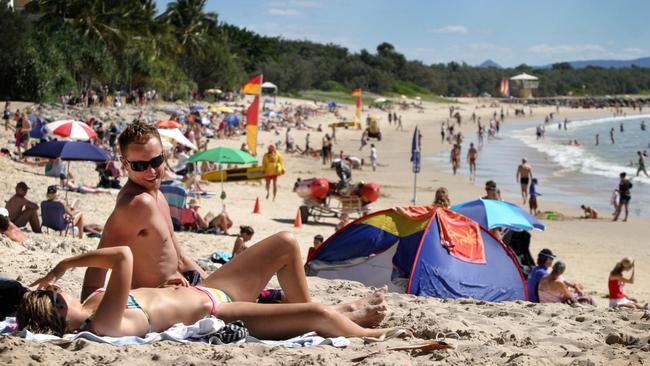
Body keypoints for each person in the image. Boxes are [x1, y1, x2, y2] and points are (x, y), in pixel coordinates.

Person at [19, 246, 400, 339]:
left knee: (286, 243)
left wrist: (163, 290)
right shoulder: (101, 324)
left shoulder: (92, 305)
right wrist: (65, 264)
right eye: (54, 298)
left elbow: (147, 298)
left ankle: (324, 314)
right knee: (318, 316)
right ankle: (367, 333)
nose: (57, 291)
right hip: (221, 314)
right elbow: (124, 255)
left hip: (211, 290)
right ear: (59, 320)